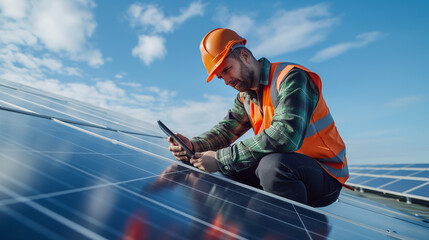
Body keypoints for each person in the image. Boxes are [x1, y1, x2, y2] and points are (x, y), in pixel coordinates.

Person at [168, 28, 349, 207]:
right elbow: (225, 131)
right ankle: (255, 219)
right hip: (289, 171)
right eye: (220, 76)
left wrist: (221, 159)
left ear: (245, 56)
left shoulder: (291, 77)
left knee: (270, 166)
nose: (226, 80)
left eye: (227, 70)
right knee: (235, 166)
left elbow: (285, 135)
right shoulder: (245, 96)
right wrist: (193, 146)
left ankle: (289, 228)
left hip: (325, 176)